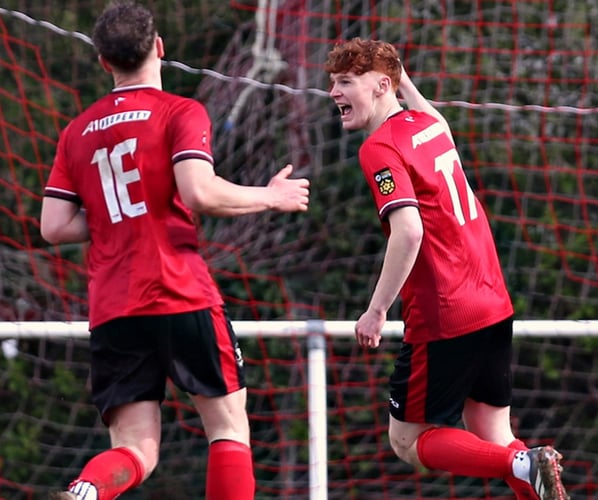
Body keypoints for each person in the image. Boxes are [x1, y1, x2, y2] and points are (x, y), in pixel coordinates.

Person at [39, 2, 309, 499]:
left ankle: (87, 490)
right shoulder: (180, 111)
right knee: (228, 426)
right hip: (179, 291)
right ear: (159, 48)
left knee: (138, 448)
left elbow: (53, 227)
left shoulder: (76, 131)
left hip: (113, 305)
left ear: (104, 62)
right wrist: (270, 196)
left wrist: (110, 216)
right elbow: (199, 192)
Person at [324, 38, 568, 500]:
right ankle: (526, 466)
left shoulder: (379, 147)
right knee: (492, 431)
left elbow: (409, 232)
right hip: (493, 300)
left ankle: (525, 462)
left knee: (407, 440)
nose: (334, 92)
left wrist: (376, 312)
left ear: (379, 86)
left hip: (446, 313)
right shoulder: (428, 126)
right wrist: (399, 75)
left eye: (344, 82)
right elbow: (439, 119)